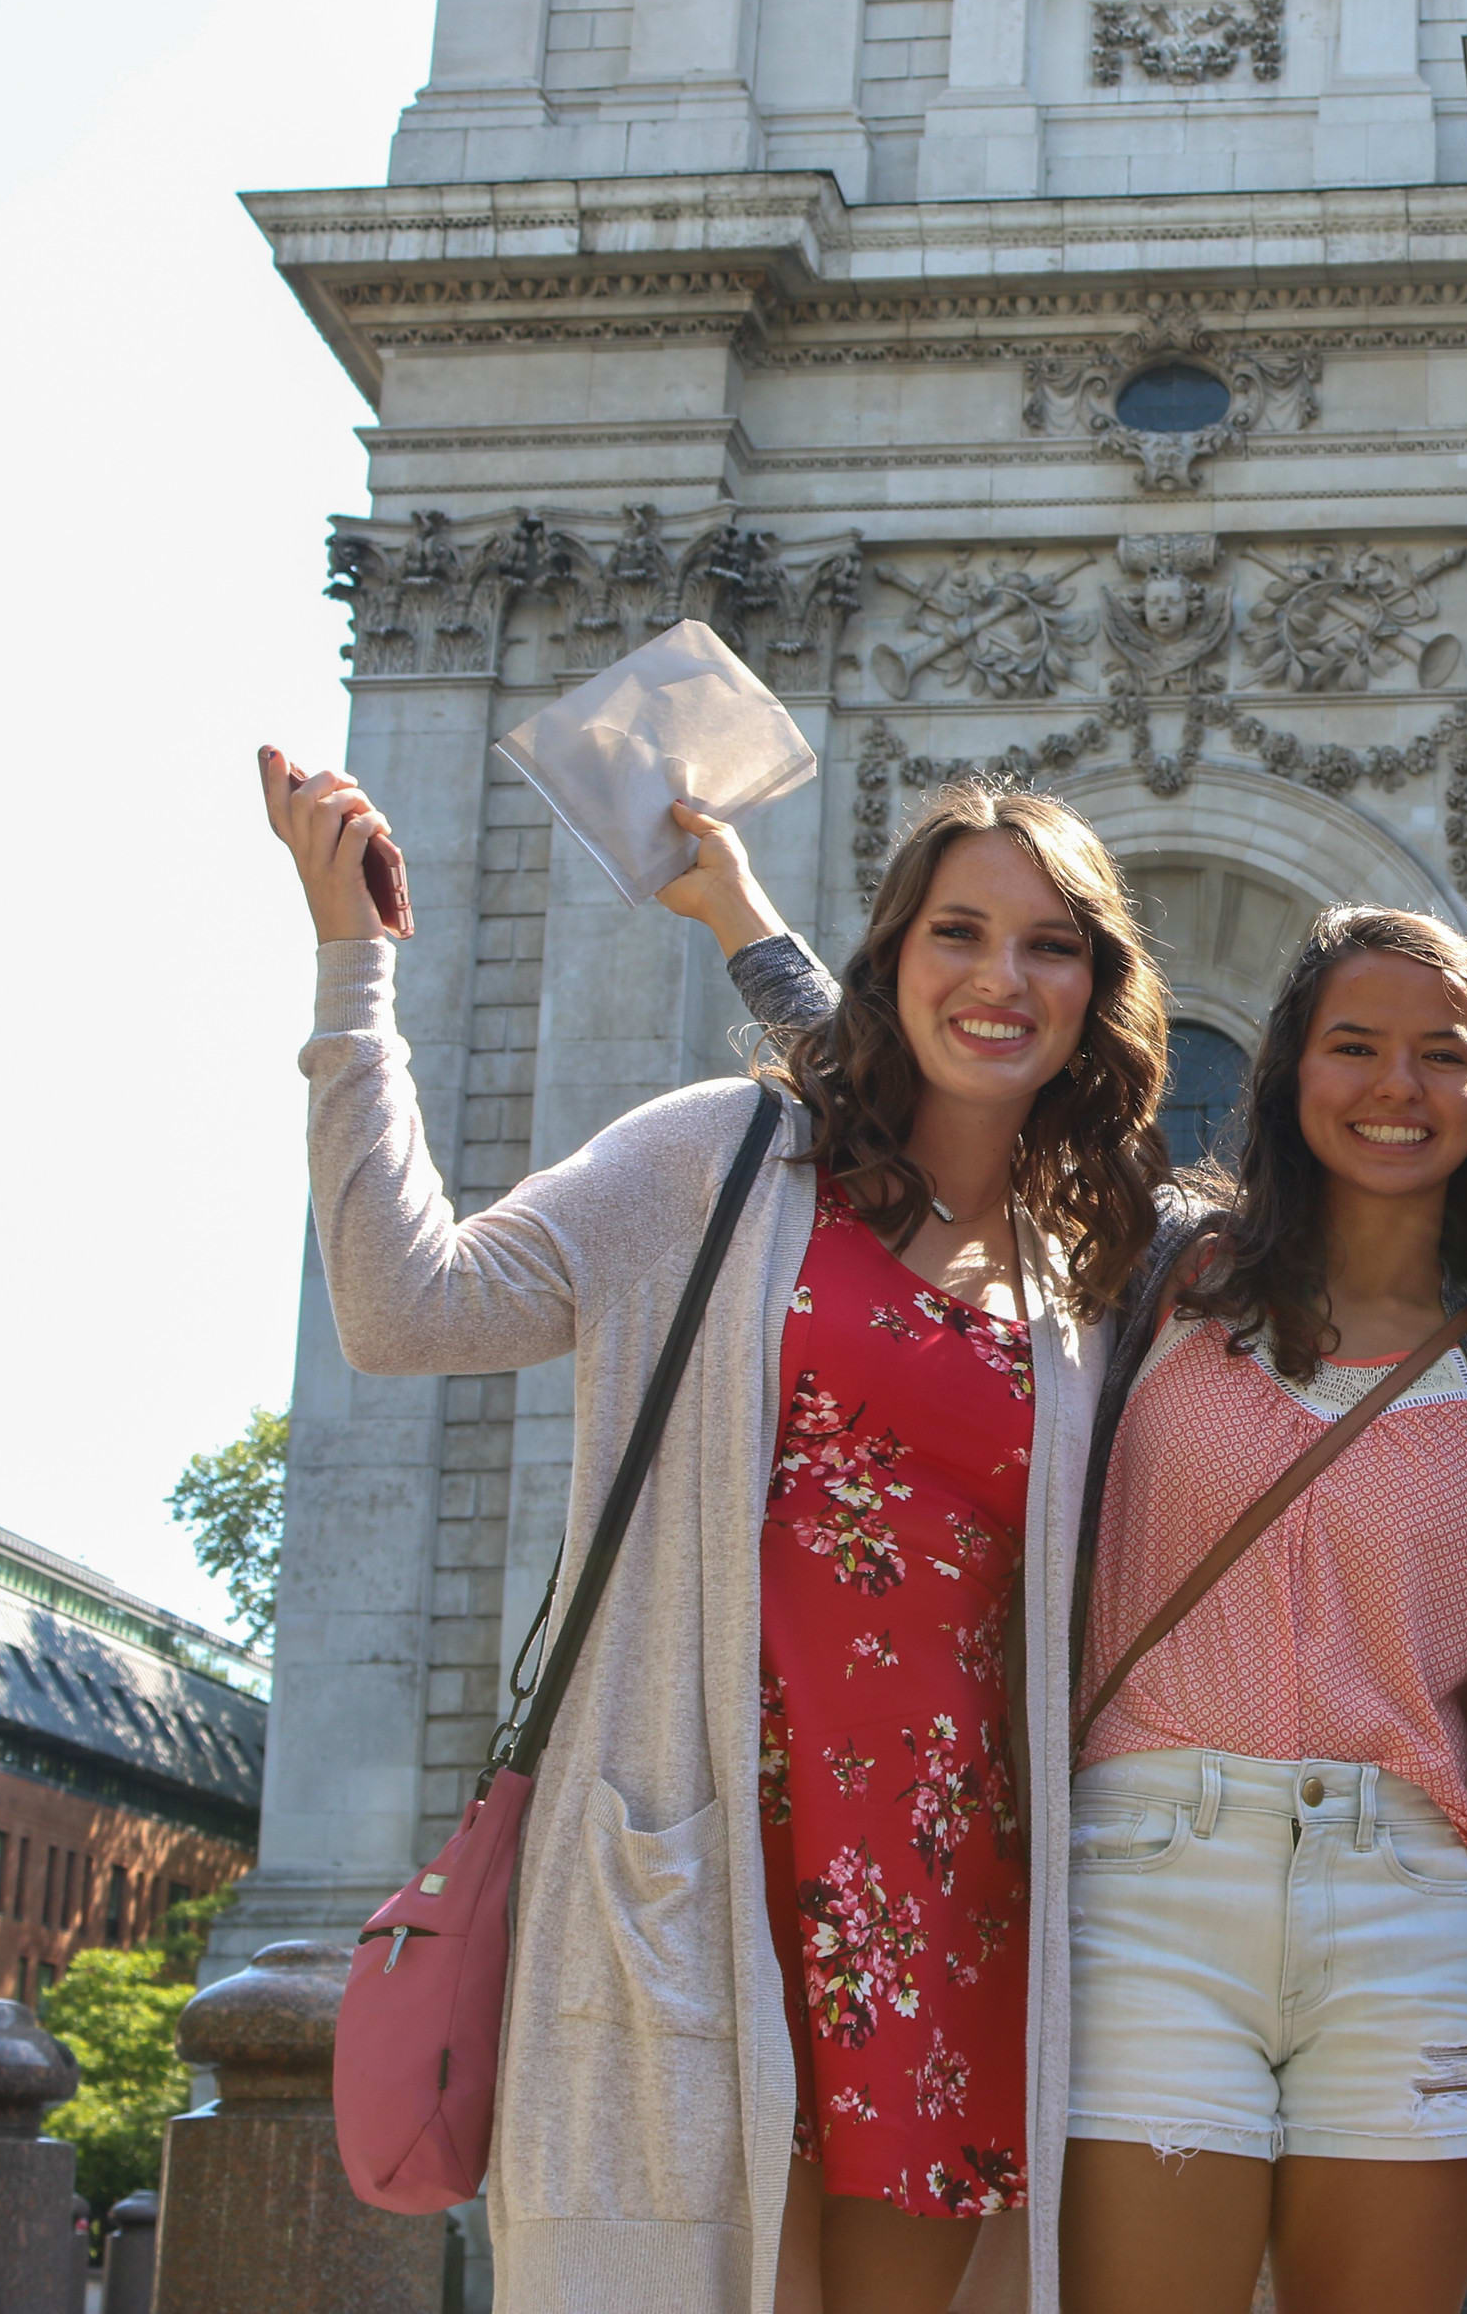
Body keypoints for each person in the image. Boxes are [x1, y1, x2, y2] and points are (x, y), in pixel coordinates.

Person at [266, 750, 1168, 2314]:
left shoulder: (1092, 1265)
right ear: (891, 959)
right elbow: (403, 1309)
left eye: (1052, 944)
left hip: (957, 1896)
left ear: (1100, 987)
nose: (1003, 977)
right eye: (957, 931)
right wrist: (355, 975)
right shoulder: (715, 1160)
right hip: (699, 1855)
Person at [683, 857, 1467, 2313]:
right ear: (1287, 1075)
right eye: (1353, 1044)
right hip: (1150, 1887)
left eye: (1445, 1051)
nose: (1395, 1084)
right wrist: (737, 919)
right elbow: (922, 1094)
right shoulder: (1159, 1268)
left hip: (1410, 1896)